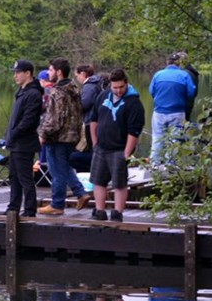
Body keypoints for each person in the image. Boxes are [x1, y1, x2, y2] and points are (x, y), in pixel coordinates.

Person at [89, 68, 145, 222]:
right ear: (110, 86)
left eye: (121, 87)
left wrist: (127, 153)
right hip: (101, 146)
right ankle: (99, 211)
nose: (118, 90)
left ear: (126, 83)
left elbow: (134, 131)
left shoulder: (133, 102)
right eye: (115, 87)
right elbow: (93, 120)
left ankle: (117, 213)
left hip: (119, 148)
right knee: (98, 180)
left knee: (119, 183)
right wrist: (94, 142)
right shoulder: (102, 96)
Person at [38, 57, 92, 215]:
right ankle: (81, 193)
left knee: (56, 172)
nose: (49, 73)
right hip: (71, 136)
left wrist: (42, 135)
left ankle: (57, 205)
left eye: (51, 70)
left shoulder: (58, 92)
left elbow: (54, 120)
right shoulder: (73, 87)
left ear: (59, 72)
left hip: (58, 138)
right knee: (65, 167)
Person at [3, 60, 44, 218]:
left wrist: (14, 133)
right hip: (15, 143)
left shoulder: (33, 94)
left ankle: (29, 210)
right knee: (13, 176)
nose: (15, 76)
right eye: (14, 72)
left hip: (24, 143)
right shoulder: (22, 91)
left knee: (25, 178)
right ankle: (13, 207)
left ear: (28, 73)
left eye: (18, 72)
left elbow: (29, 120)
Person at [149, 52, 197, 164]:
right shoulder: (184, 75)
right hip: (178, 112)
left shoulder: (158, 75)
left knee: (157, 139)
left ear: (167, 62)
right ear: (178, 63)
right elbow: (191, 93)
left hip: (159, 112)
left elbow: (151, 91)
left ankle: (154, 165)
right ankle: (170, 166)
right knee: (174, 141)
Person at [72, 64, 104, 171]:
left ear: (83, 74)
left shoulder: (89, 86)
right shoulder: (97, 83)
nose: (77, 79)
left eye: (77, 76)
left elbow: (84, 104)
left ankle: (94, 170)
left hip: (91, 122)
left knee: (92, 148)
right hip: (96, 120)